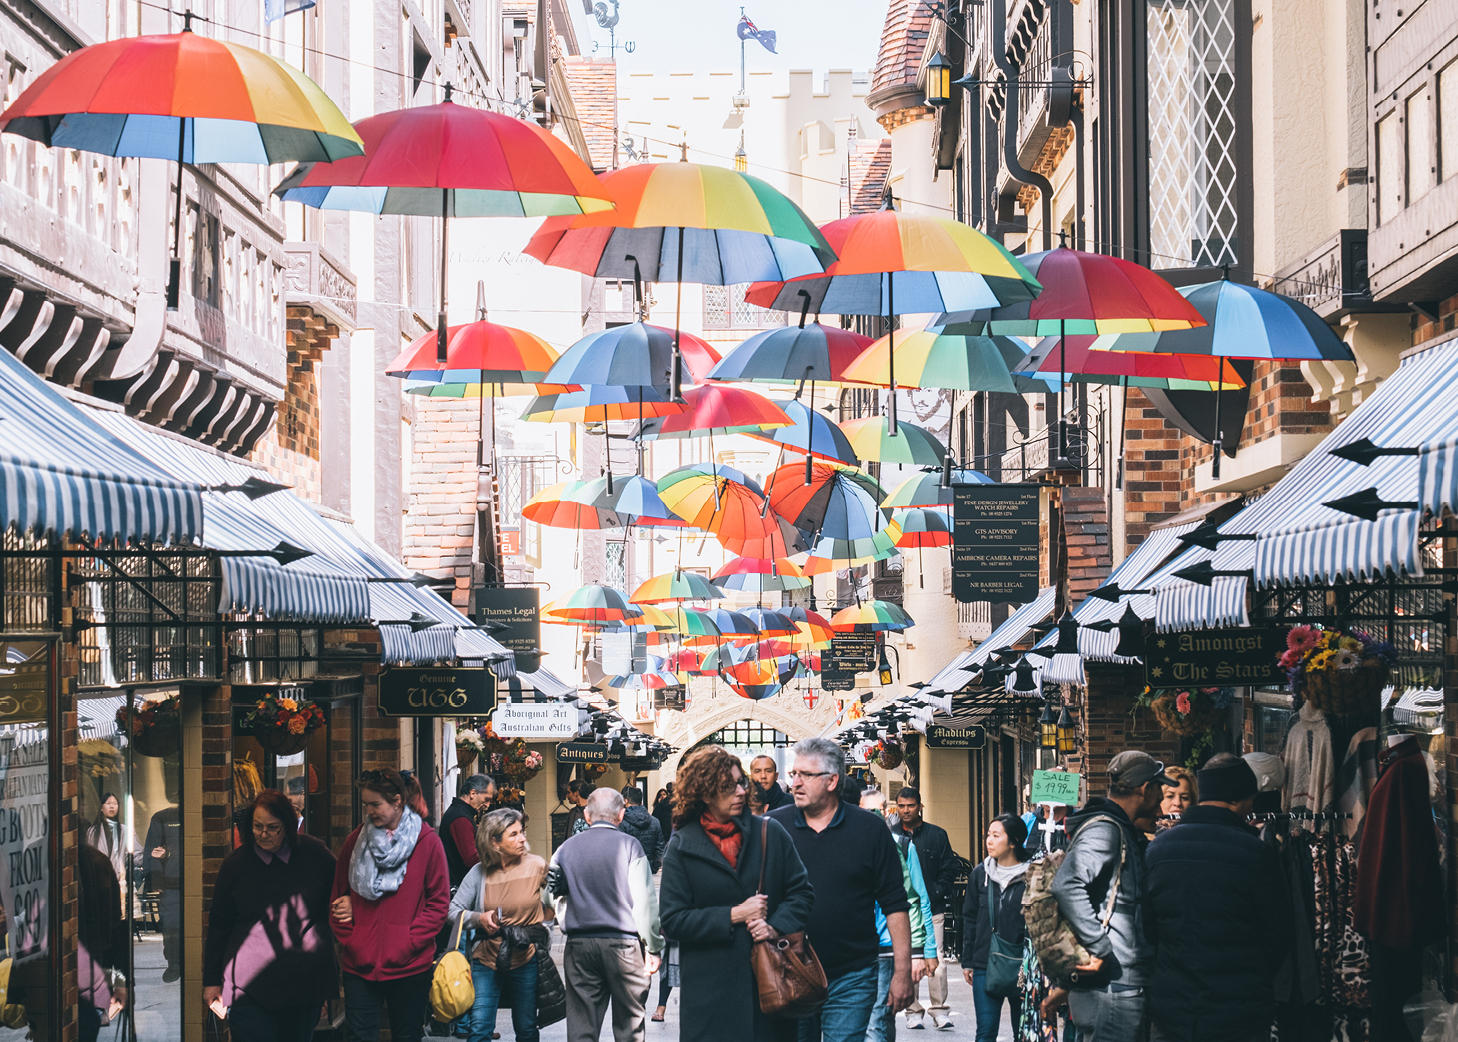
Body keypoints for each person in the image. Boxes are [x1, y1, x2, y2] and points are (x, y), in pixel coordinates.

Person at [659, 745, 815, 1042]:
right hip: (709, 997)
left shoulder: (771, 834)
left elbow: (802, 894)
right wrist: (734, 915)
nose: (741, 791)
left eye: (740, 782)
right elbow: (672, 921)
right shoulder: (682, 847)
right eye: (729, 787)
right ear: (705, 793)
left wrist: (774, 924)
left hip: (770, 988)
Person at [768, 738, 913, 1042]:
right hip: (788, 969)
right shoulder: (773, 828)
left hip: (852, 973)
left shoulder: (870, 829)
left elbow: (895, 903)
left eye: (805, 775)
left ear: (832, 780)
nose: (794, 783)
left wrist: (902, 972)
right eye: (794, 774)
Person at [1146, 754, 1292, 1042]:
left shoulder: (1157, 850)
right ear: (1238, 800)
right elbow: (1278, 933)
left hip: (1172, 1010)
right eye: (1251, 799)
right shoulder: (1257, 853)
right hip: (1239, 1012)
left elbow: (1149, 929)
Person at [1050, 750, 1169, 1042]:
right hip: (1113, 986)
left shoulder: (1116, 827)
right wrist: (1100, 947)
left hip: (1115, 984)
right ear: (1144, 788)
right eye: (1159, 787)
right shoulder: (1106, 830)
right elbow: (1067, 884)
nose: (1162, 797)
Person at [204, 789, 338, 1041]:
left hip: (302, 983)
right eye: (257, 827)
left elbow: (341, 894)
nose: (263, 834)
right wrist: (212, 980)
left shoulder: (315, 855)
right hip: (248, 983)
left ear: (288, 826)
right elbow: (219, 925)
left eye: (272, 827)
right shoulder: (236, 864)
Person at [330, 768, 450, 1042]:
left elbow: (438, 904)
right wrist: (354, 941)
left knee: (406, 1036)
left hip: (409, 965)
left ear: (397, 801)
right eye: (366, 805)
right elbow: (337, 898)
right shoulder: (355, 842)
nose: (370, 811)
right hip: (359, 965)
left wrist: (408, 942)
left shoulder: (428, 842)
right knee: (360, 1036)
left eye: (375, 804)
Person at [548, 787, 664, 1042]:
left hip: (579, 945)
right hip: (624, 945)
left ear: (587, 816)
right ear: (621, 815)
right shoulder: (630, 846)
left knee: (581, 1027)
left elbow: (548, 896)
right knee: (630, 1026)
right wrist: (653, 947)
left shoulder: (565, 849)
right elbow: (644, 904)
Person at [449, 808, 553, 1042]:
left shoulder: (537, 866)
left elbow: (558, 899)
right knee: (479, 1030)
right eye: (514, 834)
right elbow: (452, 911)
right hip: (485, 958)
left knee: (526, 1028)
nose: (523, 838)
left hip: (525, 955)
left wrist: (546, 925)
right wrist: (478, 918)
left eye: (521, 832)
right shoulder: (479, 872)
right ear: (494, 842)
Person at [862, 790, 936, 1042]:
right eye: (868, 810)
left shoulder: (902, 846)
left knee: (877, 1018)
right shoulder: (848, 844)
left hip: (886, 946)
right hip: (853, 947)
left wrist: (923, 951)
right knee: (877, 1019)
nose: (875, 815)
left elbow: (918, 899)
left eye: (879, 809)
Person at [892, 787, 958, 1031]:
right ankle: (913, 1010)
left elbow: (948, 870)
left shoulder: (937, 835)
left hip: (933, 909)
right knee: (907, 959)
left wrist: (933, 894)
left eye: (910, 805)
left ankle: (940, 1010)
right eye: (901, 805)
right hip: (901, 910)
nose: (906, 810)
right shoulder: (890, 835)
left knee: (936, 959)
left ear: (920, 806)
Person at [961, 814, 1031, 1042]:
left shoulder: (1034, 875)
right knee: (986, 1032)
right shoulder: (979, 874)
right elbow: (970, 917)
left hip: (1023, 965)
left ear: (1014, 841)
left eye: (996, 835)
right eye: (988, 835)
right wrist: (968, 961)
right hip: (985, 962)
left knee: (1022, 1032)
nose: (989, 841)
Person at [78, 843, 129, 1042]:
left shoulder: (95, 862)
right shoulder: (96, 861)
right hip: (93, 965)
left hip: (87, 967)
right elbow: (115, 926)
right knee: (87, 1024)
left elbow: (115, 926)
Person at [144, 802, 183, 982]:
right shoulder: (162, 818)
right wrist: (156, 881)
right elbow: (151, 850)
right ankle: (174, 963)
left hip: (182, 881)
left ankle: (178, 963)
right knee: (171, 926)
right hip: (170, 885)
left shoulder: (164, 818)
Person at [440, 774, 497, 887]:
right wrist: (497, 855)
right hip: (458, 887)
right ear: (473, 794)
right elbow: (471, 859)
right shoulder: (460, 819)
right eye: (486, 799)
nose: (487, 805)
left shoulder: (459, 813)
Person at [86, 791, 141, 888]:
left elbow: (136, 854)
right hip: (98, 881)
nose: (112, 806)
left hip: (120, 880)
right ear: (101, 808)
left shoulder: (126, 830)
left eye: (115, 804)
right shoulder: (93, 831)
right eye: (108, 803)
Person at [618, 785, 665, 874]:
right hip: (648, 868)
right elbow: (660, 847)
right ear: (641, 802)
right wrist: (654, 867)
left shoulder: (621, 822)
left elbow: (620, 849)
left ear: (626, 801)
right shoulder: (655, 821)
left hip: (628, 871)